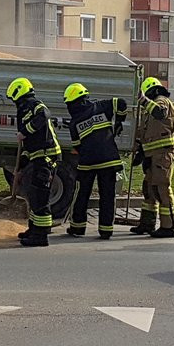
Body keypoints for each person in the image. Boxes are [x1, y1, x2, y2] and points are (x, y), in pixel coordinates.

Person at [64, 83, 128, 240]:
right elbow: (121, 103)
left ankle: (77, 228)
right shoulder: (101, 106)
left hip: (87, 163)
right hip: (109, 161)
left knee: (81, 195)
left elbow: (77, 147)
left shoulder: (74, 123)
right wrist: (119, 121)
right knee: (107, 195)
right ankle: (106, 230)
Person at [6, 77, 62, 247]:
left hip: (47, 156)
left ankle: (41, 236)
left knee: (40, 195)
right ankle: (34, 229)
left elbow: (44, 115)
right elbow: (27, 147)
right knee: (34, 194)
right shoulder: (23, 110)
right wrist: (20, 167)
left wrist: (24, 131)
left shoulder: (34, 104)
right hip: (37, 156)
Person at [130, 77, 174, 238]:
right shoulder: (148, 110)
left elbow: (160, 113)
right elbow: (144, 133)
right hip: (152, 155)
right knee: (149, 189)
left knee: (161, 188)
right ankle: (147, 224)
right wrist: (139, 153)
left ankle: (168, 226)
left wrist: (143, 100)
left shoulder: (162, 101)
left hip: (163, 153)